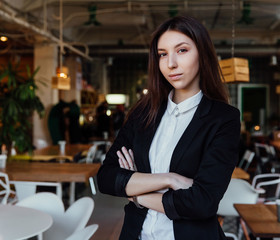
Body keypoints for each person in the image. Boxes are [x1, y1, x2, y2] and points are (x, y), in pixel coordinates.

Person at [97, 16, 240, 240]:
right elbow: (106, 178)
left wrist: (137, 193)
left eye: (181, 50)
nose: (170, 63)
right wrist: (170, 179)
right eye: (163, 54)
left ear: (202, 54)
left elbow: (202, 202)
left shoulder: (223, 119)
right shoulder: (142, 113)